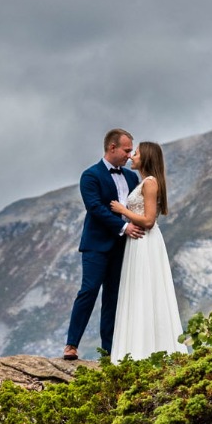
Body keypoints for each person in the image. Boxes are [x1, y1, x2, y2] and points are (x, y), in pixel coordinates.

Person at [63, 129, 147, 360]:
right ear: (112, 148)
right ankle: (71, 345)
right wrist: (123, 227)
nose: (130, 155)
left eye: (132, 151)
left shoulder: (131, 178)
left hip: (124, 247)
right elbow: (95, 208)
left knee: (114, 297)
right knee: (89, 290)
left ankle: (109, 352)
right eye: (127, 150)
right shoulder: (90, 175)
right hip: (96, 245)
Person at [108, 140, 184, 359]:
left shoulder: (150, 183)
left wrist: (122, 210)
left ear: (147, 157)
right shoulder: (145, 182)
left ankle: (145, 351)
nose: (132, 156)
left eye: (137, 153)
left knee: (144, 290)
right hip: (138, 242)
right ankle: (139, 348)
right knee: (139, 290)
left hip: (145, 240)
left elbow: (148, 220)